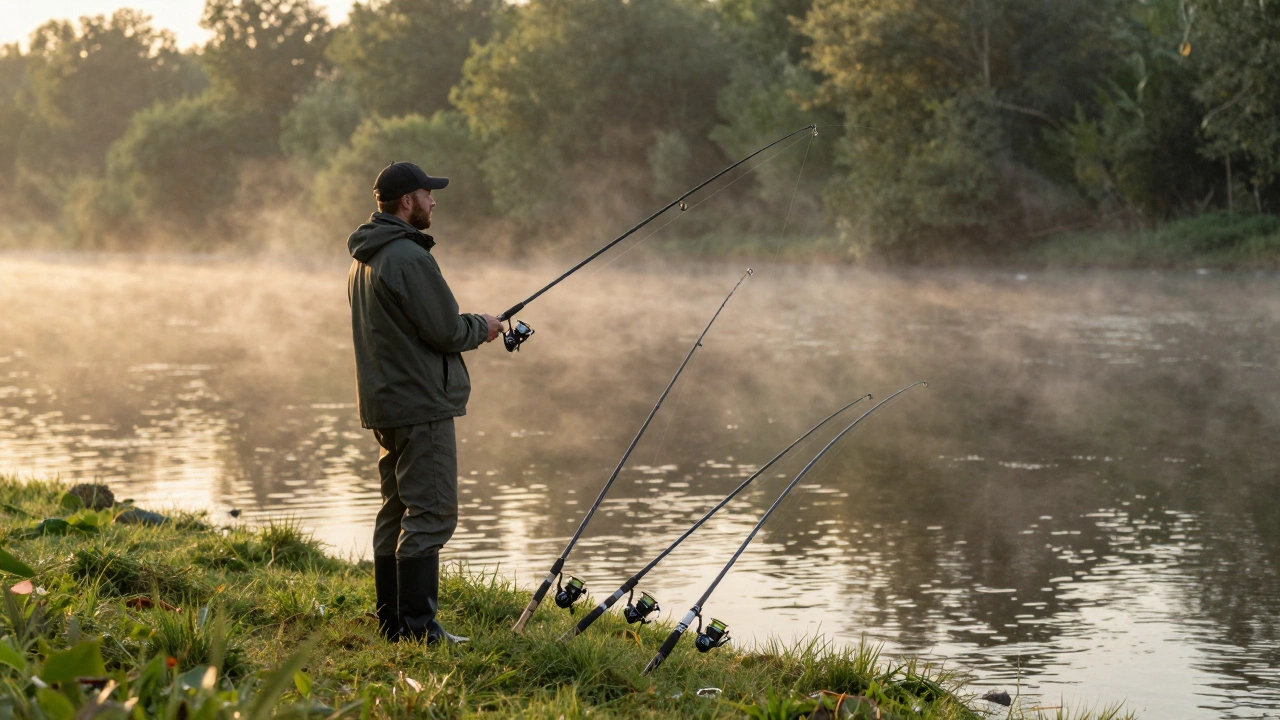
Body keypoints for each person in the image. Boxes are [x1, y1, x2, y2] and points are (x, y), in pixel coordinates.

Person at [347, 161, 503, 645]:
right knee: (431, 513)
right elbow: (447, 330)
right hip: (420, 404)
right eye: (427, 194)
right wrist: (487, 325)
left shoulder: (366, 258)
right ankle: (417, 631)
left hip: (388, 402)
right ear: (406, 201)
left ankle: (394, 622)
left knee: (396, 510)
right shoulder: (408, 258)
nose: (434, 201)